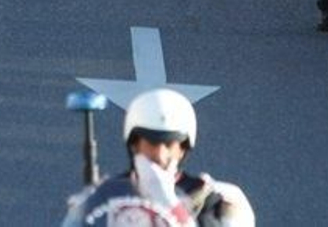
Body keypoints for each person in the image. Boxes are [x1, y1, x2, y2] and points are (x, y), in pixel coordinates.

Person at [60, 88, 255, 225]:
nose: (160, 155)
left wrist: (171, 205)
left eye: (169, 144)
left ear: (183, 148)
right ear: (134, 144)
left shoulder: (212, 198)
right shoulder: (102, 194)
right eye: (152, 143)